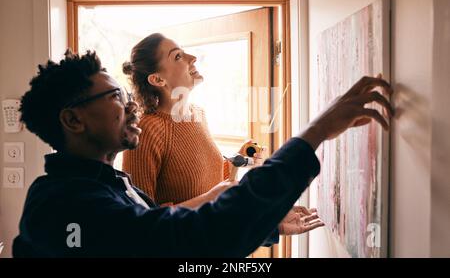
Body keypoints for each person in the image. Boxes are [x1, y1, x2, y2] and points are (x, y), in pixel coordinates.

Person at [13, 50, 394, 257]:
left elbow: (157, 229)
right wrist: (315, 132)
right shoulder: (62, 205)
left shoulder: (108, 181)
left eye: (127, 97)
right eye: (116, 98)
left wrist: (270, 224)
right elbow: (188, 239)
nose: (131, 107)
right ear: (72, 120)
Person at [122, 33, 266, 208]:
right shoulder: (146, 130)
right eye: (178, 56)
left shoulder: (198, 113)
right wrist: (210, 198)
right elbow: (142, 217)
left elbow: (206, 184)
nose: (193, 58)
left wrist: (238, 159)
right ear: (158, 79)